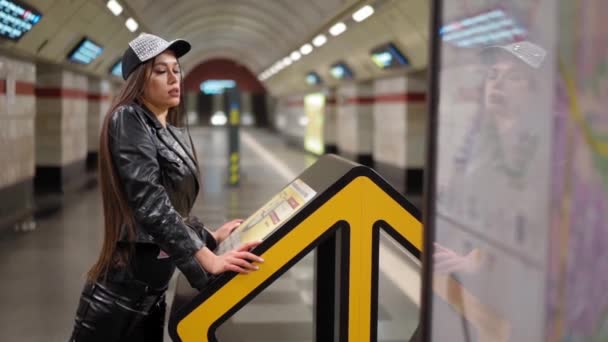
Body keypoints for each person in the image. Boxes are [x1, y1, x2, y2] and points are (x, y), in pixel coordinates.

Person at [69, 33, 264, 342]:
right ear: (139, 80)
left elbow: (173, 207)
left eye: (176, 69)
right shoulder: (128, 118)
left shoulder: (165, 131)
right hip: (119, 297)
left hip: (151, 296)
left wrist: (209, 236)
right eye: (160, 71)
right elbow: (150, 203)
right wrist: (207, 258)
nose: (174, 78)